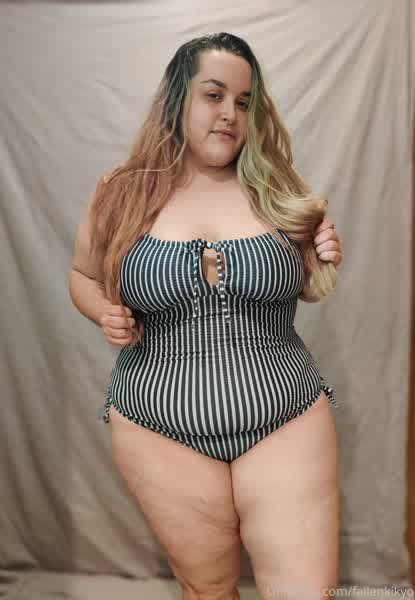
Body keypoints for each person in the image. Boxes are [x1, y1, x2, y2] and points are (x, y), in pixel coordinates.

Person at [69, 32, 343, 600]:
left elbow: (307, 289)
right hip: (157, 427)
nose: (229, 115)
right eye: (213, 95)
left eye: (243, 102)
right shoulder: (121, 191)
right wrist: (104, 312)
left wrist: (319, 258)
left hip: (284, 415)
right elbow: (83, 275)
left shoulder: (277, 187)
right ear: (178, 98)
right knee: (209, 590)